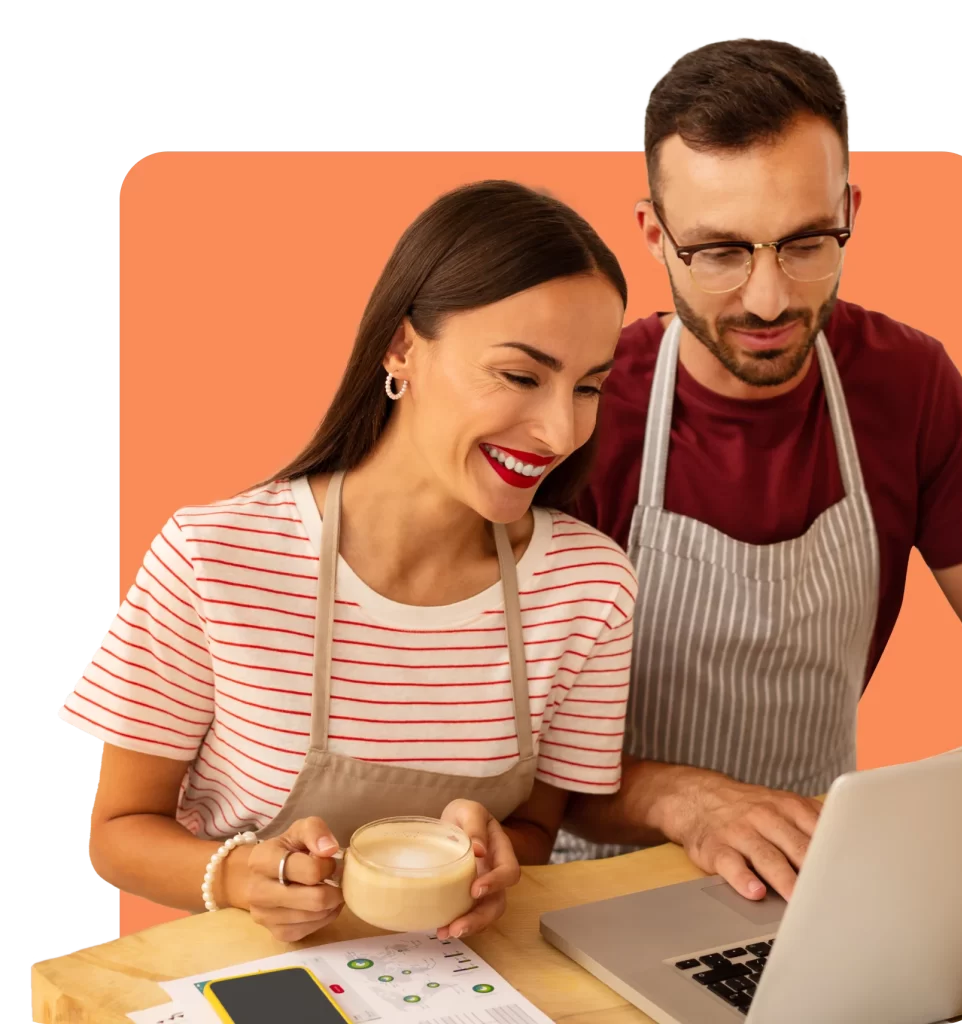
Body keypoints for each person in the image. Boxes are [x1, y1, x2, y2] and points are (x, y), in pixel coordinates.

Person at [61, 180, 637, 944]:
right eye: (521, 376)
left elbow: (533, 829)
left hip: (460, 978)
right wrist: (235, 876)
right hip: (249, 975)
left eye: (588, 386)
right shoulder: (215, 558)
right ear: (401, 348)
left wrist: (497, 861)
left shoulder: (589, 588)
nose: (560, 431)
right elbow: (116, 834)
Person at [554, 36, 962, 900]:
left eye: (804, 243)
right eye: (718, 251)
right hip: (593, 890)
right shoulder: (578, 408)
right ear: (654, 234)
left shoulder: (909, 385)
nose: (768, 299)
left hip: (813, 883)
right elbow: (491, 748)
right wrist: (682, 799)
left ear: (849, 210)